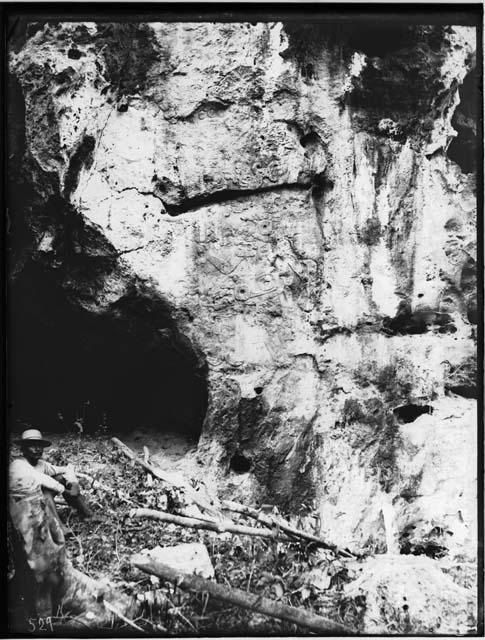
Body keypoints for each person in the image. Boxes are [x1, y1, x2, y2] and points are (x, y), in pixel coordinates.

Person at [9, 429, 93, 537]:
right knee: (46, 492)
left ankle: (87, 514)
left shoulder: (41, 464)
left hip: (38, 501)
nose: (37, 449)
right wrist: (66, 491)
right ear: (23, 449)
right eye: (32, 446)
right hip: (21, 506)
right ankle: (60, 528)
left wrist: (74, 483)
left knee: (59, 478)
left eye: (40, 446)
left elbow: (66, 469)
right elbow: (41, 478)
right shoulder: (18, 464)